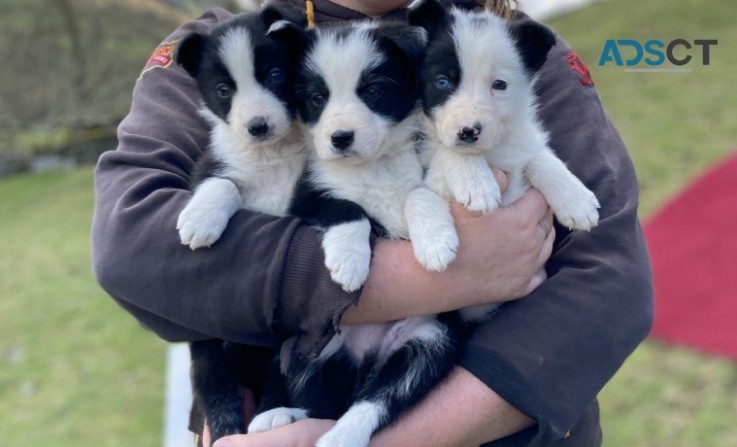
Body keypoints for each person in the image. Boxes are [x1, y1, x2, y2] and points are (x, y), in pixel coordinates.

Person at [91, 0, 652, 446]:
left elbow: (610, 282)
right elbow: (133, 245)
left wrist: (384, 438)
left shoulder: (508, 44)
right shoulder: (242, 38)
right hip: (279, 406)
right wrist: (431, 278)